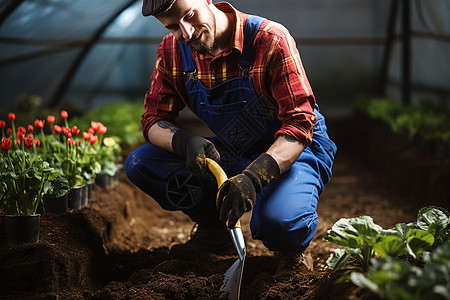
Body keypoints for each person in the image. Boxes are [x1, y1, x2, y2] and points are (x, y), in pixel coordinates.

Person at [125, 0, 337, 274]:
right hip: (238, 145)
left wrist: (254, 177)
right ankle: (215, 230)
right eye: (174, 27)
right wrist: (185, 142)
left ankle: (290, 250)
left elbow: (299, 123)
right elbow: (153, 119)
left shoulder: (270, 39)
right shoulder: (172, 52)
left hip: (295, 149)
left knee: (279, 223)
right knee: (142, 163)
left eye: (190, 16)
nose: (186, 33)